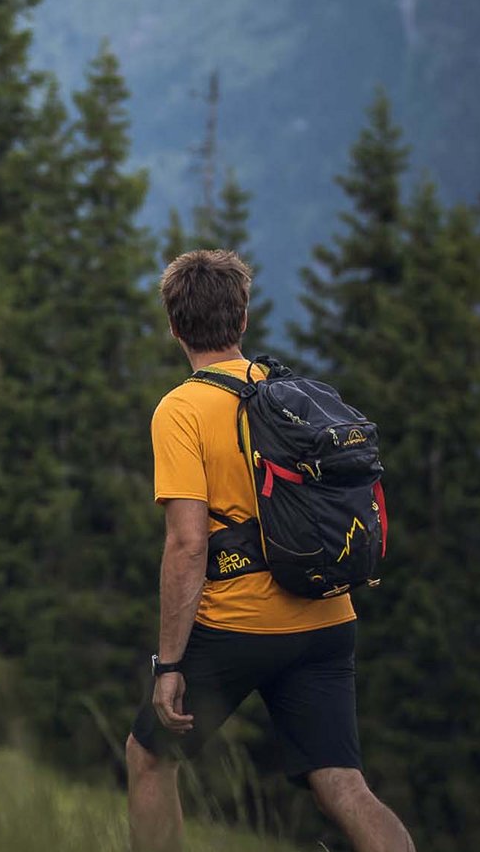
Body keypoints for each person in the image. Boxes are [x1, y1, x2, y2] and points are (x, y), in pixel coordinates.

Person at [126, 249, 413, 852]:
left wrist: (170, 664)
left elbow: (186, 544)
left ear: (174, 326)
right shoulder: (293, 394)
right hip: (329, 616)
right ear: (244, 319)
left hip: (238, 624)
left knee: (151, 757)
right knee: (343, 783)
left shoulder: (181, 410)